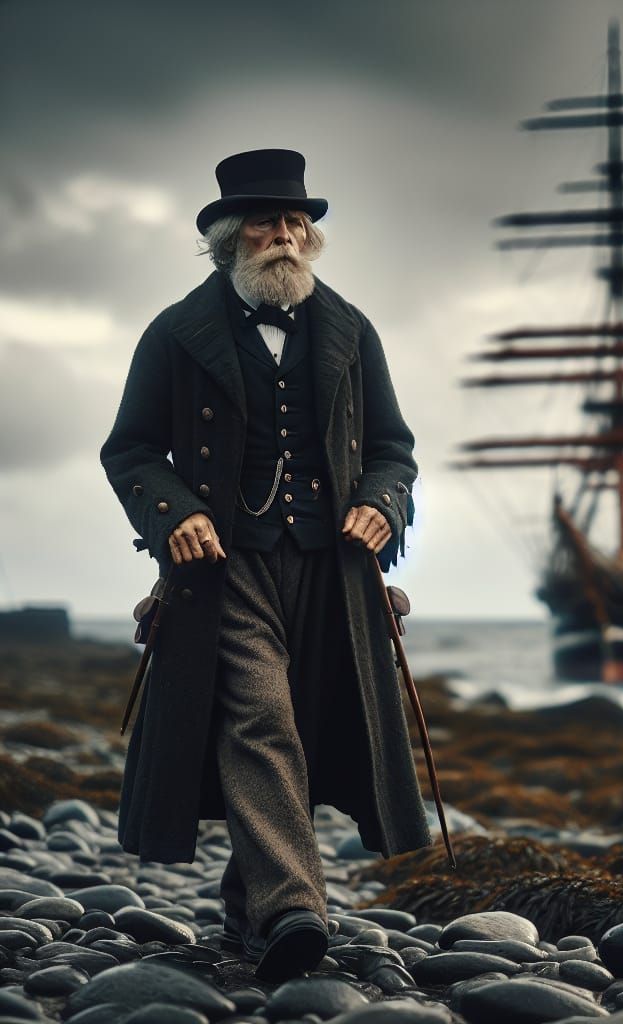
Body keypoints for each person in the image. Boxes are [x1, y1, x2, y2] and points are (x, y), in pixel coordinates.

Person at [100, 148, 433, 981]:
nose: (284, 234)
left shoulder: (352, 330)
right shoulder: (175, 332)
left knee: (310, 732)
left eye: (295, 221)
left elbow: (394, 450)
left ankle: (248, 905)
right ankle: (293, 909)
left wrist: (382, 504)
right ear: (227, 237)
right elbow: (130, 449)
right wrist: (175, 513)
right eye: (264, 222)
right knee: (263, 720)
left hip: (334, 571)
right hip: (226, 570)